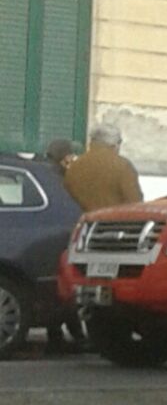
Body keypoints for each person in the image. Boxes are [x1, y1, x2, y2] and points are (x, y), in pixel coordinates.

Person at [42, 140, 88, 354]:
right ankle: (70, 335)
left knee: (57, 290)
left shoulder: (44, 172)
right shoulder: (62, 178)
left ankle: (60, 335)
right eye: (70, 155)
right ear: (63, 157)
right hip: (59, 237)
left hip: (43, 239)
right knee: (65, 289)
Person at [64, 123, 143, 211]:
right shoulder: (123, 166)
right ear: (115, 144)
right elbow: (135, 202)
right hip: (112, 221)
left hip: (82, 221)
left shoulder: (75, 166)